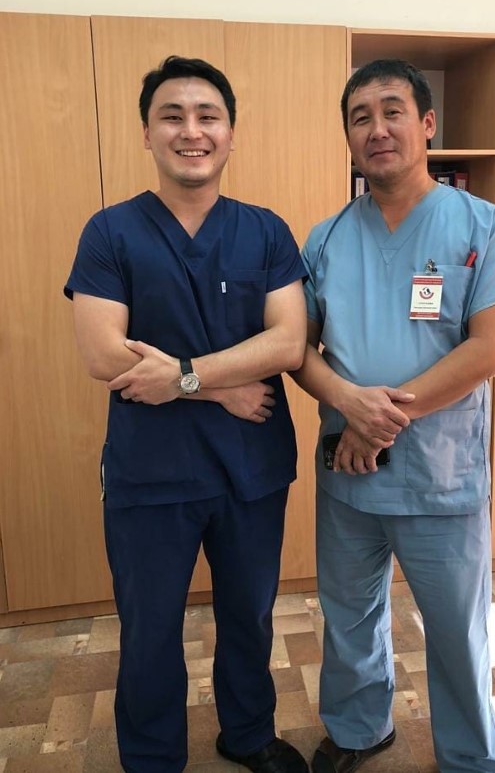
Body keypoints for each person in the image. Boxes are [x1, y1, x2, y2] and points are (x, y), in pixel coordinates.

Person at [64, 55, 309, 773]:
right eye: (172, 116)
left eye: (208, 117)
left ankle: (248, 734)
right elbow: (103, 354)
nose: (191, 131)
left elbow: (288, 342)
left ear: (231, 133)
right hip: (151, 475)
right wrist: (216, 386)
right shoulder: (110, 232)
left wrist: (181, 376)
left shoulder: (265, 231)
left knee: (249, 616)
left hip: (250, 471)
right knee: (149, 629)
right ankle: (152, 757)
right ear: (147, 133)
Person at [291, 59, 495, 773]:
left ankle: (471, 757)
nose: (377, 129)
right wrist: (349, 406)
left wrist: (377, 420)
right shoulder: (325, 239)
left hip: (439, 477)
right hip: (348, 474)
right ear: (348, 137)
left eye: (392, 111)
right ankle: (359, 729)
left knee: (456, 629)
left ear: (427, 124)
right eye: (360, 117)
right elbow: (297, 348)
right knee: (348, 615)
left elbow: (488, 351)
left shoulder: (482, 226)